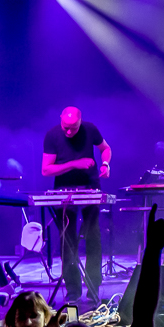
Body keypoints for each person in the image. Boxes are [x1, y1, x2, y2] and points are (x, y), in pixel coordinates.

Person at [41, 106, 112, 305]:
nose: (69, 131)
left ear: (80, 121)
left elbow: (105, 149)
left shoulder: (90, 129)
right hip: (64, 189)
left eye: (73, 127)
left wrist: (105, 164)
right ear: (61, 120)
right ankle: (72, 290)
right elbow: (46, 169)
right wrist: (75, 163)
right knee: (67, 239)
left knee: (93, 236)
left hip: (90, 186)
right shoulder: (52, 135)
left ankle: (93, 288)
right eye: (66, 127)